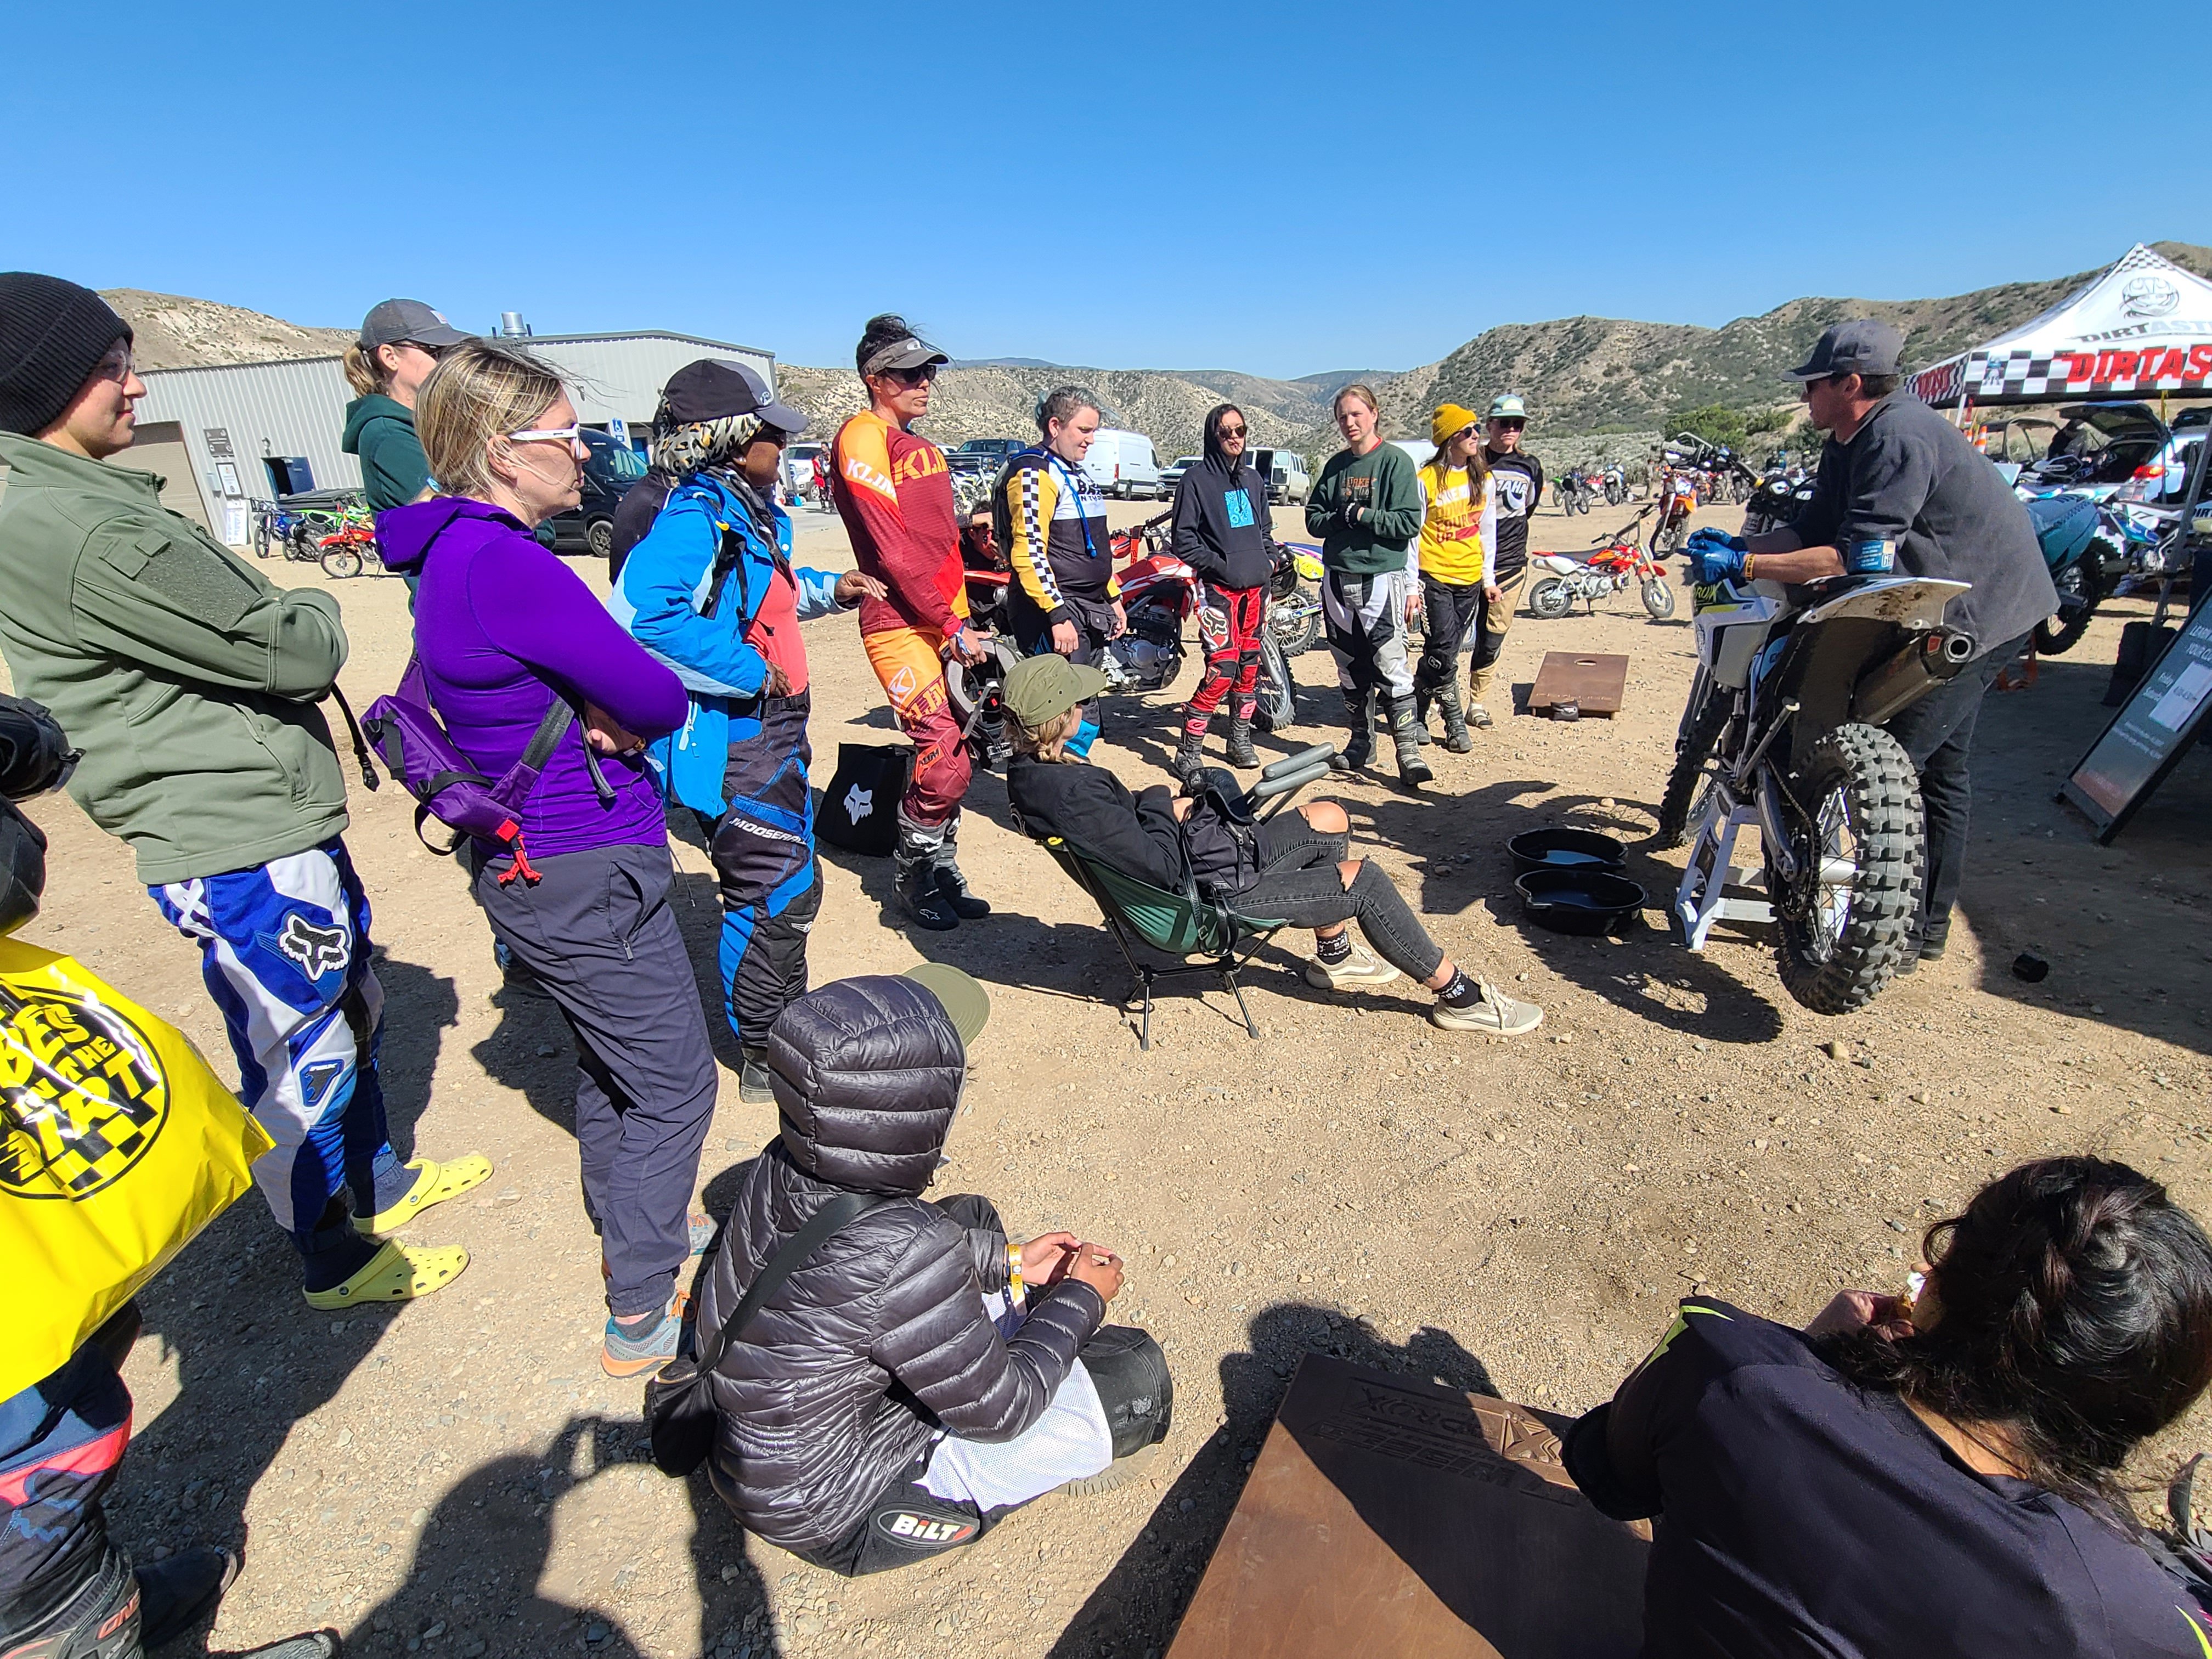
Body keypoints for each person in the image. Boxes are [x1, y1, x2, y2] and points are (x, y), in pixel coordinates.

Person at [0, 272, 484, 1312]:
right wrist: (302, 598)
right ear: (40, 386)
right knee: (298, 1044)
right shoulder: (91, 529)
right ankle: (332, 1253)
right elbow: (291, 647)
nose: (135, 387)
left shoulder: (70, 499)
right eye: (108, 368)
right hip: (232, 829)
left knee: (344, 1005)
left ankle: (376, 1181)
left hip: (262, 813)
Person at [377, 339, 712, 1379]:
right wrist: (621, 709)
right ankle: (643, 1310)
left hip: (531, 864)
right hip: (583, 861)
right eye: (563, 438)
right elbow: (659, 697)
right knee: (674, 1083)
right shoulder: (509, 560)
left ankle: (636, 1231)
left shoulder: (442, 551)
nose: (583, 456)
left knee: (615, 1065)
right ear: (496, 451)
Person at [1564, 1156, 2212, 1656]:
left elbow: (1609, 1473)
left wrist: (1809, 1357)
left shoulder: (1721, 1366)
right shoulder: (2119, 1607)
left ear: (1935, 1292)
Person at [698, 965, 1172, 1575]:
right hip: (830, 1509)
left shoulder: (784, 1160)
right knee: (1135, 1377)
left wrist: (1012, 1262)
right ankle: (1049, 1462)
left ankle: (1000, 1338)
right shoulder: (909, 1247)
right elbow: (1004, 1409)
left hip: (757, 1442)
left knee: (971, 1217)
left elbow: (856, 1267)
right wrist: (1080, 1298)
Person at [1689, 320, 2057, 968]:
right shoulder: (1847, 438)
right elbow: (1811, 531)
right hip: (1940, 595)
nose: (1805, 396)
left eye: (1813, 384)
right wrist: (1742, 545)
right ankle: (1921, 924)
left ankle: (1893, 931)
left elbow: (1855, 559)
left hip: (1981, 608)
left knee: (1902, 764)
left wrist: (1746, 571)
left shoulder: (1897, 436)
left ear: (1850, 383)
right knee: (1936, 767)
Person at [610, 359, 884, 1104]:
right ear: (730, 439)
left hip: (771, 733)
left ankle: (776, 1026)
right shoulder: (697, 515)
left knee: (785, 887)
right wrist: (747, 671)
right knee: (775, 892)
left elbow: (764, 599)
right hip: (736, 740)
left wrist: (830, 591)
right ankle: (766, 1049)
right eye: (771, 432)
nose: (782, 446)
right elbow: (641, 616)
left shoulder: (743, 508)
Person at [1002, 656, 1541, 1034]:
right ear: (1059, 716)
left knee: (1328, 815)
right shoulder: (1074, 794)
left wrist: (1164, 810)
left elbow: (1133, 843)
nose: (1088, 707)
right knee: (1366, 881)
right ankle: (1460, 997)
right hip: (1198, 905)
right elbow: (1162, 866)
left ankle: (1334, 956)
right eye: (1080, 701)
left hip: (1199, 871)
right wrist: (1159, 801)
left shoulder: (1035, 774)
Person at [830, 314, 992, 932]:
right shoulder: (861, 434)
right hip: (899, 623)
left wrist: (974, 548)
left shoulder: (913, 444)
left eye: (928, 371)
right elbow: (892, 548)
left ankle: (942, 867)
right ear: (874, 379)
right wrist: (949, 627)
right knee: (943, 755)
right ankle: (911, 874)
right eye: (907, 373)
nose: (923, 382)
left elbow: (927, 542)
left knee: (964, 751)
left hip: (941, 615)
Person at [1305, 385, 1430, 786]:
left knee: (1391, 665)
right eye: (1343, 416)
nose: (1350, 423)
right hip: (1337, 575)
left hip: (1382, 576)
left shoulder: (1395, 463)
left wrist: (1360, 513)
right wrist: (1338, 518)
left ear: (1374, 413)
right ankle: (1361, 742)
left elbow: (1409, 522)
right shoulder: (1336, 466)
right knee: (1347, 664)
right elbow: (1313, 519)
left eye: (1357, 414)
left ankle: (1408, 752)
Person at [995, 386, 1125, 760]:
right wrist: (1057, 615)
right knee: (1057, 715)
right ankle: (1049, 788)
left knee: (1083, 704)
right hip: (1054, 610)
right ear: (1056, 425)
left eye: (1094, 430)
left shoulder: (1074, 471)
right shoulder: (1034, 471)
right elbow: (1029, 550)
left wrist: (1112, 596)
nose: (1092, 439)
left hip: (1086, 605)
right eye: (1084, 430)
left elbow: (1095, 549)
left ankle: (1070, 778)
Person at [1169, 403, 1277, 786]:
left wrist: (1271, 561)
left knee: (1250, 667)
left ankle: (1239, 739)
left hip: (1256, 590)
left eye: (1240, 430)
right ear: (1212, 436)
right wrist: (1219, 565)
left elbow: (1265, 530)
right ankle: (1190, 750)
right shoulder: (1196, 481)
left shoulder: (1253, 480)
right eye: (1226, 431)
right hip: (1219, 590)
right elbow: (1182, 539)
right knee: (1222, 669)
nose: (1234, 437)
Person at [1412, 404, 1497, 753]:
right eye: (1467, 431)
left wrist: (1488, 579)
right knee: (1445, 647)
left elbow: (1487, 532)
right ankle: (1454, 721)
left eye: (1476, 429)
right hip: (1435, 576)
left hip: (1470, 577)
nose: (1476, 436)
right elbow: (1413, 536)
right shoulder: (1427, 479)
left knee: (1442, 650)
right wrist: (1410, 586)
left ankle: (1416, 707)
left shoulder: (1484, 479)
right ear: (1450, 439)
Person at [339, 298, 472, 515]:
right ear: (390, 358)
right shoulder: (389, 435)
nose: (449, 362)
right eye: (436, 352)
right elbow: (462, 518)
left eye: (452, 352)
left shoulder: (430, 424)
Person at [1472, 393, 1543, 730]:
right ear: (1490, 426)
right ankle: (1437, 699)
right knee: (1448, 635)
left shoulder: (1530, 466)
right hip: (1468, 561)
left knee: (1492, 637)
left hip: (1510, 563)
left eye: (1518, 424)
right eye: (1504, 423)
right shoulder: (1474, 460)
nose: (1511, 430)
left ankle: (1476, 702)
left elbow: (1526, 509)